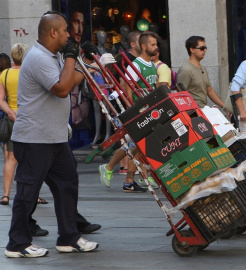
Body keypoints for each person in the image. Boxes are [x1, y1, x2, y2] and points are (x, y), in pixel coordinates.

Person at [5, 11, 99, 258]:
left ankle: (68, 237)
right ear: (53, 32)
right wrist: (70, 57)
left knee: (67, 185)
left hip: (55, 136)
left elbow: (71, 80)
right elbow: (61, 88)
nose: (69, 34)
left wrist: (86, 63)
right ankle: (17, 243)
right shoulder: (38, 58)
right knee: (28, 191)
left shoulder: (53, 56)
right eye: (66, 30)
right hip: (34, 138)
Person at [99, 31, 159, 192]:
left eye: (156, 44)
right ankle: (117, 172)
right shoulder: (137, 64)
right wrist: (133, 109)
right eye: (153, 44)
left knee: (137, 145)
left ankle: (128, 179)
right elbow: (127, 86)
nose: (156, 47)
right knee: (136, 144)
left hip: (147, 109)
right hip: (139, 110)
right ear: (144, 46)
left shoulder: (152, 64)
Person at [0, 44, 28, 206]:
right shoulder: (29, 73)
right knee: (31, 158)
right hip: (29, 119)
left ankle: (5, 195)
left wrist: (10, 112)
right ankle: (34, 195)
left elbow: (1, 99)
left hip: (13, 120)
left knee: (11, 158)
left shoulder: (5, 73)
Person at [177, 36, 225, 109]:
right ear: (192, 49)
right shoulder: (186, 70)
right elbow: (180, 95)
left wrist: (224, 106)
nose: (205, 50)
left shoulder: (202, 68)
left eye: (206, 48)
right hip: (194, 113)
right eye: (202, 48)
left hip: (203, 109)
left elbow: (209, 90)